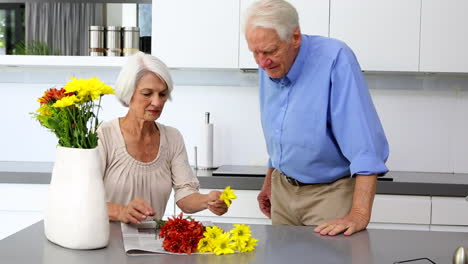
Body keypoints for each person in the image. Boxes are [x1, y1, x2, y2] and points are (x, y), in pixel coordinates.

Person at [243, 0, 389, 236]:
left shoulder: (336, 58)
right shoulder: (268, 63)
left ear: (295, 37)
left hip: (328, 194)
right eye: (255, 52)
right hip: (283, 191)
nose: (262, 62)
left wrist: (359, 214)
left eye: (269, 51)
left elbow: (365, 146)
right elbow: (280, 129)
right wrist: (270, 181)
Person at [98, 52, 228, 224]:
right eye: (147, 93)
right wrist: (121, 211)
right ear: (128, 94)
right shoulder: (103, 135)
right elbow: (81, 197)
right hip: (106, 242)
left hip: (150, 243)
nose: (157, 102)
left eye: (162, 94)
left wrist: (208, 200)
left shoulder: (172, 138)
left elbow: (185, 195)